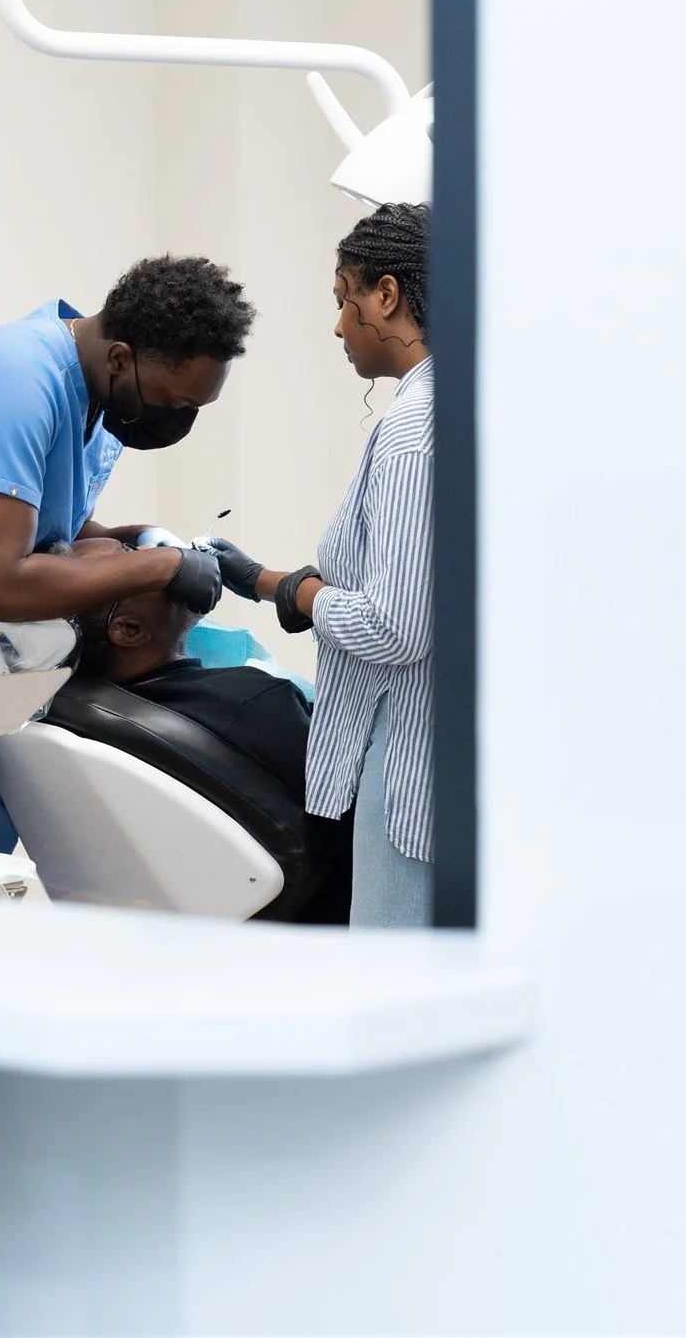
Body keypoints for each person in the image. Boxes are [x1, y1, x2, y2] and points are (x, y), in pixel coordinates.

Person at [0, 257, 256, 847]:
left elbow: (54, 528)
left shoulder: (100, 395)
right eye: (173, 403)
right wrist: (160, 566)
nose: (177, 421)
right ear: (121, 358)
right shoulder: (15, 379)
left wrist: (142, 538)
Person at [201, 203, 433, 926]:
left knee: (396, 974)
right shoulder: (457, 408)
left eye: (344, 299)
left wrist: (296, 593)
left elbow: (396, 626)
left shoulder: (412, 435)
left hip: (412, 763)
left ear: (386, 296)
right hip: (436, 749)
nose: (338, 326)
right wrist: (271, 582)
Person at [48, 581, 351, 922]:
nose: (164, 559)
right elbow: (356, 808)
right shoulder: (251, 702)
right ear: (129, 630)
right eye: (129, 560)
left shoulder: (67, 710)